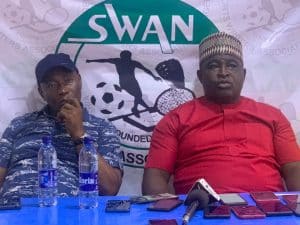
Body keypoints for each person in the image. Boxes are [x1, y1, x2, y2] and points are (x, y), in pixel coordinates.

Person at [142, 32, 300, 195]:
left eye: (232, 65)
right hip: (199, 213)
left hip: (266, 212)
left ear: (243, 75)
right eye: (213, 66)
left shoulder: (273, 116)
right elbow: (156, 176)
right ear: (200, 76)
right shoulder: (175, 119)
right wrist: (163, 215)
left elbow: (294, 168)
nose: (223, 72)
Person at [0, 53, 123, 198]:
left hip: (73, 216)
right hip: (15, 214)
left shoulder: (103, 128)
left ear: (79, 81)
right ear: (41, 92)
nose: (62, 90)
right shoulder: (19, 125)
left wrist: (79, 135)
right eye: (52, 85)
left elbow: (110, 188)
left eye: (68, 81)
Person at [86, 50, 161, 117]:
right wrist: (91, 60)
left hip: (129, 82)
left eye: (128, 56)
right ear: (123, 56)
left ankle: (142, 108)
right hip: (126, 82)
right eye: (126, 56)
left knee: (138, 96)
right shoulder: (122, 61)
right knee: (138, 96)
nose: (127, 58)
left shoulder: (129, 62)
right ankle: (137, 108)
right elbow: (104, 60)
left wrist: (154, 76)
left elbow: (145, 69)